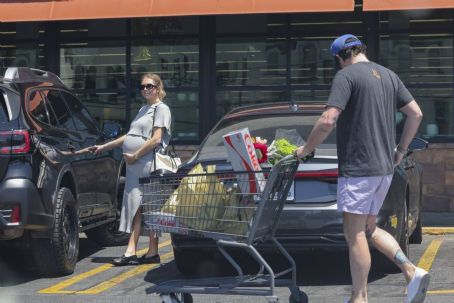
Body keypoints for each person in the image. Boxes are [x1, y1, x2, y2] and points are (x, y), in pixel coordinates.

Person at [295, 34, 427, 303]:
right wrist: (400, 150)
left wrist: (305, 150)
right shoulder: (389, 75)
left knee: (353, 232)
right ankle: (410, 270)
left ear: (340, 57)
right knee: (368, 229)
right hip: (383, 169)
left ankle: (360, 297)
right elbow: (416, 113)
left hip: (359, 168)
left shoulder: (346, 76)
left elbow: (328, 120)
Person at [91, 73, 171, 266]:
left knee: (147, 207)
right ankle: (147, 252)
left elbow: (156, 139)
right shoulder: (144, 109)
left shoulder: (162, 109)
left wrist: (135, 155)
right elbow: (129, 136)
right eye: (142, 86)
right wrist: (104, 146)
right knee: (137, 207)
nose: (145, 89)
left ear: (158, 88)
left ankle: (137, 251)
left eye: (149, 86)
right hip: (135, 166)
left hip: (146, 164)